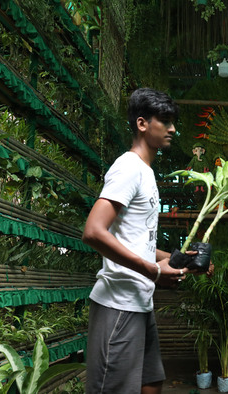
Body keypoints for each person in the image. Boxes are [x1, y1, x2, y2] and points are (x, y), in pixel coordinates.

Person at [82, 88, 213, 394]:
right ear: (142, 124)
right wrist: (153, 271)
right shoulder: (128, 168)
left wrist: (182, 258)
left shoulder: (146, 172)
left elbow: (135, 241)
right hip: (118, 304)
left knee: (151, 382)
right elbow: (94, 231)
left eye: (173, 121)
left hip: (139, 303)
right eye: (165, 121)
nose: (173, 128)